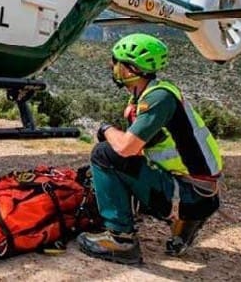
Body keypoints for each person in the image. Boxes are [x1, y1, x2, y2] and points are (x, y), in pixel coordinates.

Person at [77, 33, 222, 265]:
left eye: (115, 62)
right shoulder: (154, 95)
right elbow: (138, 152)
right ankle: (184, 223)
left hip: (190, 194)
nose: (112, 67)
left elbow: (125, 149)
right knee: (114, 165)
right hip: (200, 192)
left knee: (103, 154)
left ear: (130, 69)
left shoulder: (158, 99)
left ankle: (121, 240)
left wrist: (105, 129)